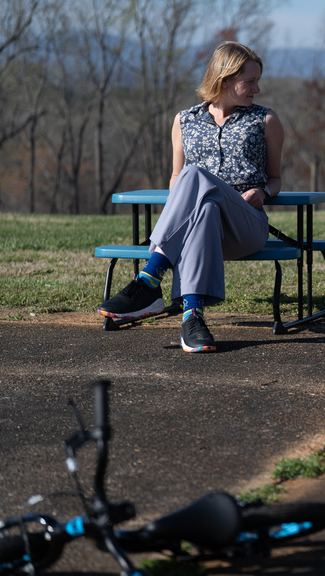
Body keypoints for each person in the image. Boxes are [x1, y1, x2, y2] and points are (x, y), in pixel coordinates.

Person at [98, 41, 284, 353]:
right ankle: (192, 319)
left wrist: (264, 191)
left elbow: (276, 178)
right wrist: (186, 206)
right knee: (204, 206)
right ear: (225, 80)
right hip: (202, 226)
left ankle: (149, 278)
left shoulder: (265, 120)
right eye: (250, 82)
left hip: (245, 225)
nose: (258, 89)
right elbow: (175, 178)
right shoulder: (185, 120)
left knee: (194, 175)